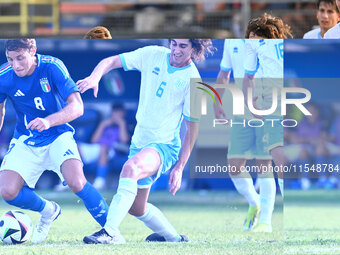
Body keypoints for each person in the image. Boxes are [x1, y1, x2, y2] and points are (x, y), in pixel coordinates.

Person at [77, 39, 215, 244]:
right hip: (139, 142)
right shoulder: (153, 54)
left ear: (194, 49)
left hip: (164, 146)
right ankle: (174, 239)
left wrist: (180, 166)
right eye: (174, 44)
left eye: (183, 46)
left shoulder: (193, 80)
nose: (176, 50)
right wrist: (95, 77)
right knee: (136, 207)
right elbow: (111, 61)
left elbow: (192, 127)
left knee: (130, 168)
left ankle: (110, 232)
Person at [0, 39, 109, 243]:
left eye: (20, 58)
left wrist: (48, 121)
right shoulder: (3, 76)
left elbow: (77, 107)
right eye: (10, 59)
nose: (15, 65)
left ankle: (111, 231)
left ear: (33, 50)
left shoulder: (52, 66)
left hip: (58, 134)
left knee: (77, 182)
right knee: (7, 191)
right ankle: (48, 210)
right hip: (26, 139)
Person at [213, 39, 273, 232]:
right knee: (233, 166)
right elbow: (224, 74)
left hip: (267, 108)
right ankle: (254, 202)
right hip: (242, 112)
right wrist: (217, 102)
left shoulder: (268, 41)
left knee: (264, 164)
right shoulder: (231, 42)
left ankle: (266, 222)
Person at [241, 13, 292, 232]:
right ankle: (266, 222)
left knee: (277, 163)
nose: (251, 39)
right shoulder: (273, 45)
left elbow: (248, 78)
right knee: (271, 162)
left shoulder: (258, 46)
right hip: (273, 106)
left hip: (280, 106)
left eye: (253, 35)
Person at [91, 102, 130, 190]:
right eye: (115, 112)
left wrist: (121, 124)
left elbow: (124, 140)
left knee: (104, 148)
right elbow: (93, 140)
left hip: (112, 151)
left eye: (119, 112)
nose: (117, 115)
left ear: (123, 113)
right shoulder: (105, 124)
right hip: (96, 149)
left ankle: (100, 181)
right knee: (77, 147)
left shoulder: (126, 124)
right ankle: (65, 180)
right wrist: (102, 125)